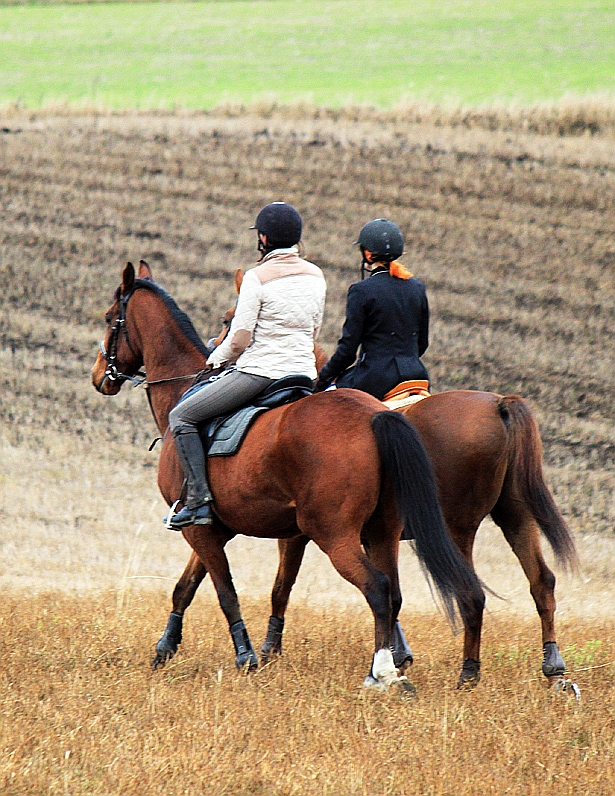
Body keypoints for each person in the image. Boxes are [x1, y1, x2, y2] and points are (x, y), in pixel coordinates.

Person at [166, 202, 326, 529]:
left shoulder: (256, 278)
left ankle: (198, 501)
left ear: (263, 238)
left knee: (182, 416)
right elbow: (314, 331)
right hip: (303, 374)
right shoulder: (316, 275)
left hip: (260, 374)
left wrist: (216, 358)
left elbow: (239, 340)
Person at [315, 218, 429, 400]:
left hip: (376, 379)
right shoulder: (417, 288)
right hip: (416, 375)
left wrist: (323, 379)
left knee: (325, 401)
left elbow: (348, 351)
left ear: (368, 254)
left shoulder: (362, 290)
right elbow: (422, 344)